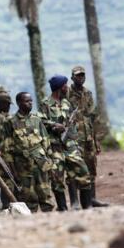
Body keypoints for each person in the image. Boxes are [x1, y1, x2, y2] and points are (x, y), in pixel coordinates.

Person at [39, 74, 92, 210]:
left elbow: (71, 126)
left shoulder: (66, 103)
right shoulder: (45, 104)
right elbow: (40, 121)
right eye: (65, 86)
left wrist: (76, 144)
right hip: (54, 147)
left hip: (70, 145)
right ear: (59, 88)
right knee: (57, 179)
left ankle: (87, 207)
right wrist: (54, 125)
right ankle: (63, 210)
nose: (67, 87)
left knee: (83, 172)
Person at [2, 92, 55, 212]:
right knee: (28, 198)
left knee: (46, 196)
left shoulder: (36, 119)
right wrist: (13, 171)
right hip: (23, 166)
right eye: (27, 101)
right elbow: (7, 148)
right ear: (19, 103)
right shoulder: (10, 122)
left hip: (41, 163)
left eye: (31, 101)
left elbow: (46, 141)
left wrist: (51, 162)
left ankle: (50, 222)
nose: (30, 103)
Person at [67, 66, 109, 207]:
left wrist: (96, 140)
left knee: (91, 168)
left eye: (82, 75)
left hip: (88, 138)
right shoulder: (66, 93)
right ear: (72, 77)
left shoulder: (88, 94)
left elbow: (94, 118)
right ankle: (75, 202)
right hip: (73, 139)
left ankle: (92, 199)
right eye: (78, 76)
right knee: (74, 169)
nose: (80, 78)